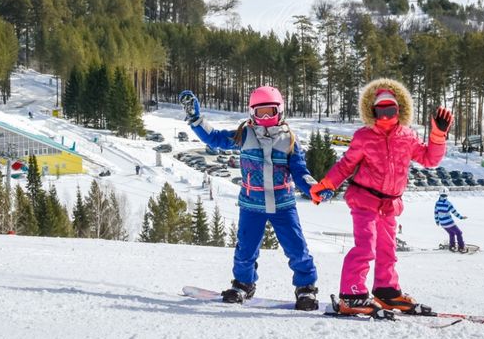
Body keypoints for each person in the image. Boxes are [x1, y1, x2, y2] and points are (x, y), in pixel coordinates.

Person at [311, 77, 453, 316]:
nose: (385, 116)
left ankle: (386, 291)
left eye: (390, 110)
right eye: (380, 111)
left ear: (399, 110)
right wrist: (326, 185)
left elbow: (430, 159)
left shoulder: (407, 137)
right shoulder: (364, 137)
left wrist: (438, 136)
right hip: (364, 199)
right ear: (372, 111)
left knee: (388, 249)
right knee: (366, 246)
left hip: (390, 203)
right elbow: (346, 166)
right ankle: (352, 294)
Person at [179, 86, 321, 310]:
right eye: (260, 113)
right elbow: (215, 139)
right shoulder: (244, 134)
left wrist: (313, 188)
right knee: (245, 249)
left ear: (280, 112)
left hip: (283, 204)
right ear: (251, 113)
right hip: (251, 205)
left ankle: (306, 288)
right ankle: (243, 284)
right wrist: (196, 119)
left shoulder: (290, 140)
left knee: (296, 248)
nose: (265, 118)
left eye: (270, 112)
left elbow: (300, 172)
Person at [434, 187, 467, 252]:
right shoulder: (448, 203)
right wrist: (461, 217)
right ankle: (461, 247)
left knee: (451, 233)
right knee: (459, 233)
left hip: (442, 223)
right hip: (449, 222)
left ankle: (452, 246)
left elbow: (435, 213)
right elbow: (454, 212)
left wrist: (437, 221)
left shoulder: (437, 203)